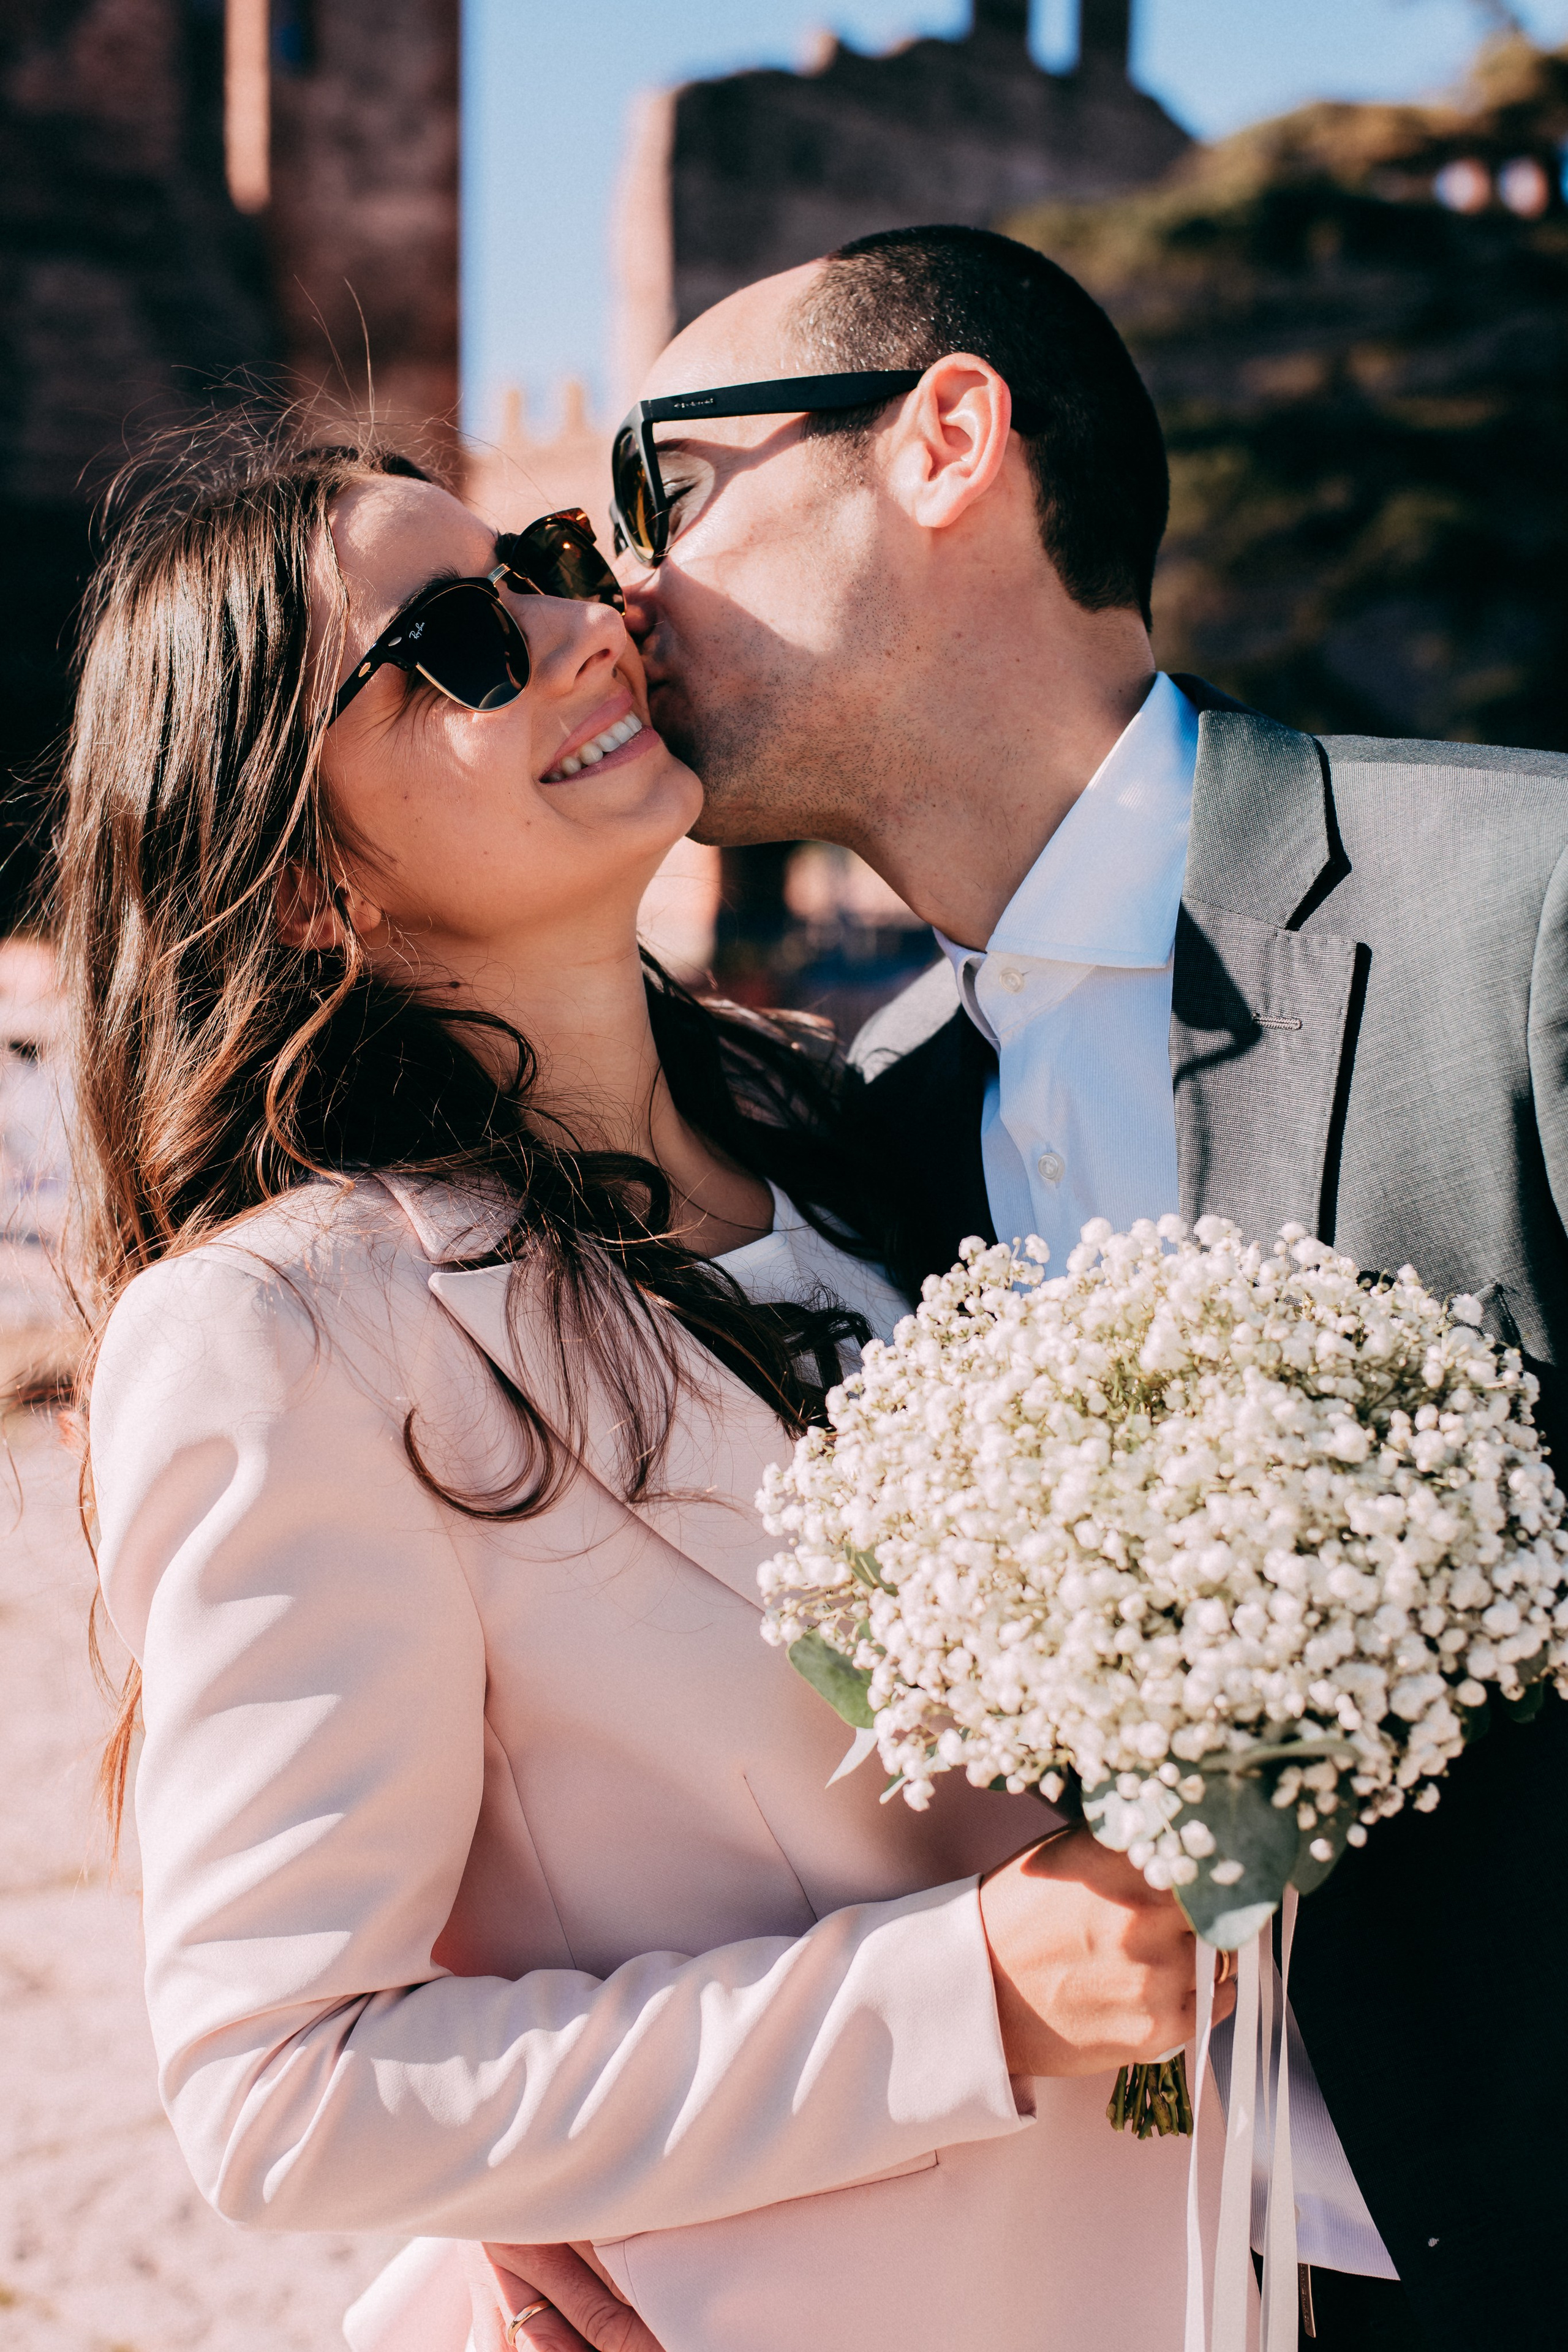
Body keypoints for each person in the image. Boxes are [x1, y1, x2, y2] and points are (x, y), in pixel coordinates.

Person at [65, 432, 1229, 2352]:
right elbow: (282, 2095)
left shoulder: (868, 1133)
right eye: (452, 638)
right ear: (295, 891)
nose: (579, 622)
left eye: (539, 555)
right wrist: (975, 1997)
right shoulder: (287, 1331)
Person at [608, 221, 1568, 2352]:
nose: (622, 589)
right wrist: (556, 2206)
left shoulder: (1525, 910)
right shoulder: (847, 1147)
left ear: (948, 437)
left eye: (668, 490)